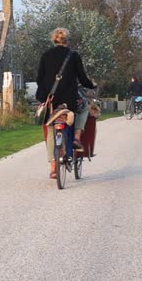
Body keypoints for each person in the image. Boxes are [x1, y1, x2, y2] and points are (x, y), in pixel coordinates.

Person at [36, 28, 95, 179]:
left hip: (52, 101)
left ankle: (54, 168)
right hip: (69, 100)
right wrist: (92, 85)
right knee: (85, 108)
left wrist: (45, 94)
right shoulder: (73, 56)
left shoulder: (45, 56)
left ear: (53, 40)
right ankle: (76, 137)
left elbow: (39, 79)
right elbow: (82, 78)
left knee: (50, 130)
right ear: (67, 41)